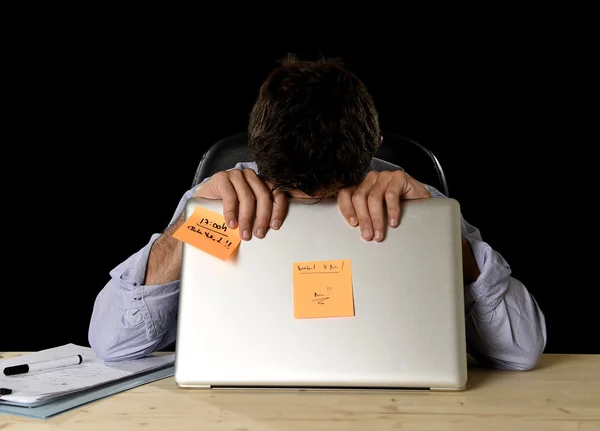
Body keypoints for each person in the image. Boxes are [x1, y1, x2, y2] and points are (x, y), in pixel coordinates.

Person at [88, 54, 546, 371]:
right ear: (259, 157)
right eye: (292, 194)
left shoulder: (410, 200)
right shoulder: (220, 208)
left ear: (369, 153)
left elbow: (521, 352)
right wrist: (191, 225)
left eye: (331, 195)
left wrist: (443, 234)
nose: (311, 208)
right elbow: (114, 345)